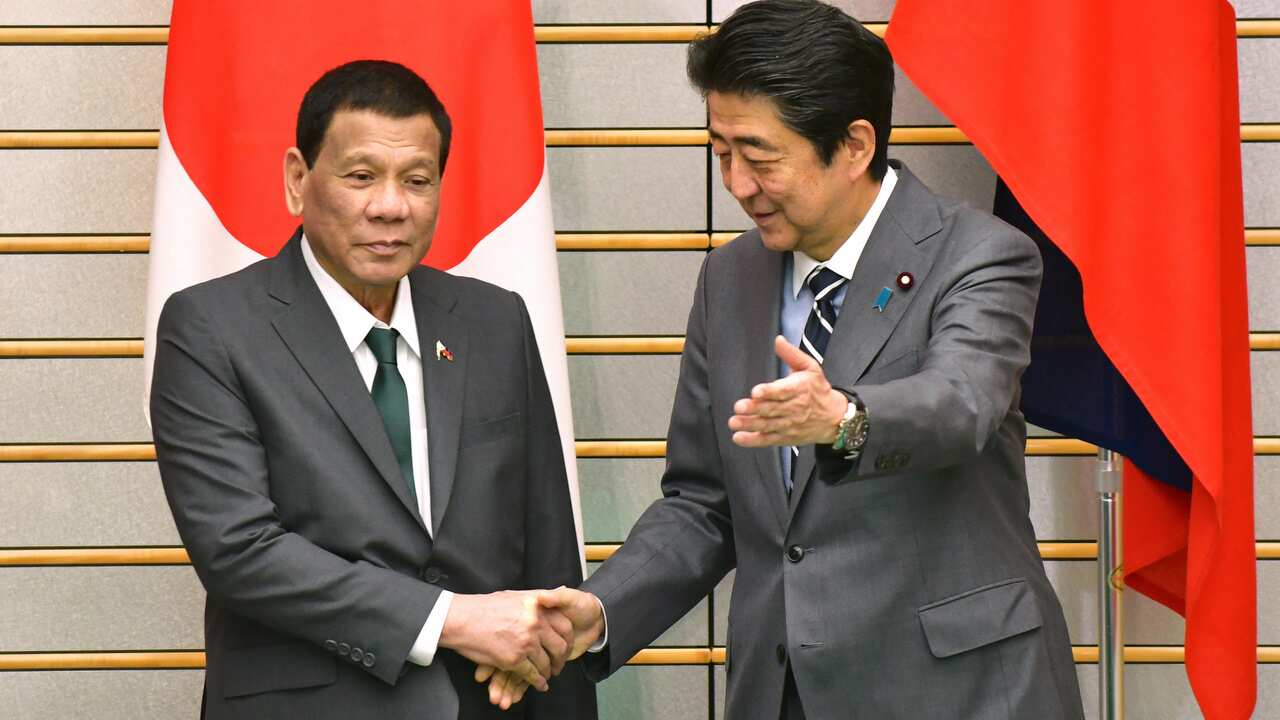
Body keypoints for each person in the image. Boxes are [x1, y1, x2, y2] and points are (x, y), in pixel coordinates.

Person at [502, 1, 1087, 718]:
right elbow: (704, 502)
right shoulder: (730, 280)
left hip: (957, 690)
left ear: (854, 145)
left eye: (760, 156)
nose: (738, 185)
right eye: (721, 153)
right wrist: (603, 606)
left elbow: (961, 403)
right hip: (783, 694)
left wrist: (844, 419)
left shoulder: (980, 255)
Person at [150, 60, 597, 719]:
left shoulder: (494, 320)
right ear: (298, 180)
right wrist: (450, 619)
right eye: (361, 176)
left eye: (416, 180)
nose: (390, 205)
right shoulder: (212, 328)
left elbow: (548, 548)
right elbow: (239, 550)